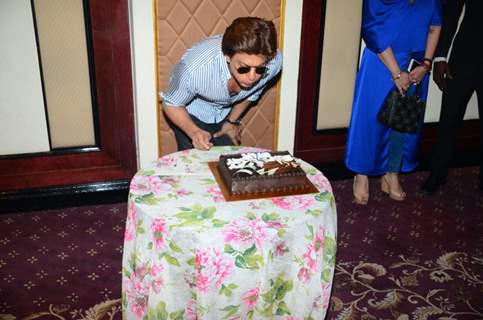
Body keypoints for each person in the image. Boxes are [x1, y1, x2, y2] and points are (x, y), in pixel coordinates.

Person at [345, 0, 441, 205]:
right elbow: (372, 28)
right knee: (371, 120)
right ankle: (361, 173)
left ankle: (392, 172)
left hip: (417, 65)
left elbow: (435, 25)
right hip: (382, 60)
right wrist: (397, 73)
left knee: (402, 122)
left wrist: (426, 64)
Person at [160, 17, 282, 151]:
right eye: (243, 68)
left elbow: (253, 92)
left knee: (229, 165)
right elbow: (171, 104)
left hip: (225, 114)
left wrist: (232, 121)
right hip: (190, 114)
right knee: (194, 168)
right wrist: (194, 132)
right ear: (227, 57)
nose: (252, 77)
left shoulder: (274, 63)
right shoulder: (195, 68)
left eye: (260, 69)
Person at [422, 0, 483, 194]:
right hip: (465, 55)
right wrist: (440, 56)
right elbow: (451, 11)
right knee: (448, 119)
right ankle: (437, 173)